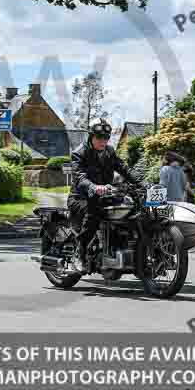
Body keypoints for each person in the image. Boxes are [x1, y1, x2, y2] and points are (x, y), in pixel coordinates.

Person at [67, 117, 139, 273]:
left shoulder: (109, 152)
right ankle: (80, 253)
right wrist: (93, 186)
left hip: (104, 196)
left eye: (106, 138)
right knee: (94, 214)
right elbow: (79, 177)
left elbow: (123, 168)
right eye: (99, 137)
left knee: (130, 208)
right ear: (91, 136)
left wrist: (141, 183)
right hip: (81, 198)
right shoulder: (79, 153)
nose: (103, 141)